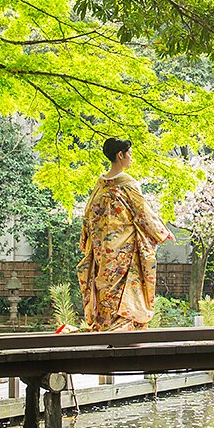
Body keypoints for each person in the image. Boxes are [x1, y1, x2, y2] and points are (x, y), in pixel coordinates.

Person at [77, 138, 173, 331]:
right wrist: (162, 232)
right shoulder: (128, 184)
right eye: (129, 154)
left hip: (102, 250)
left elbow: (88, 215)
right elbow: (142, 213)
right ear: (120, 155)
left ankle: (106, 324)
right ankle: (124, 327)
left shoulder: (100, 185)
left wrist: (88, 240)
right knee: (123, 285)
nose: (131, 158)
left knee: (104, 282)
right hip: (124, 250)